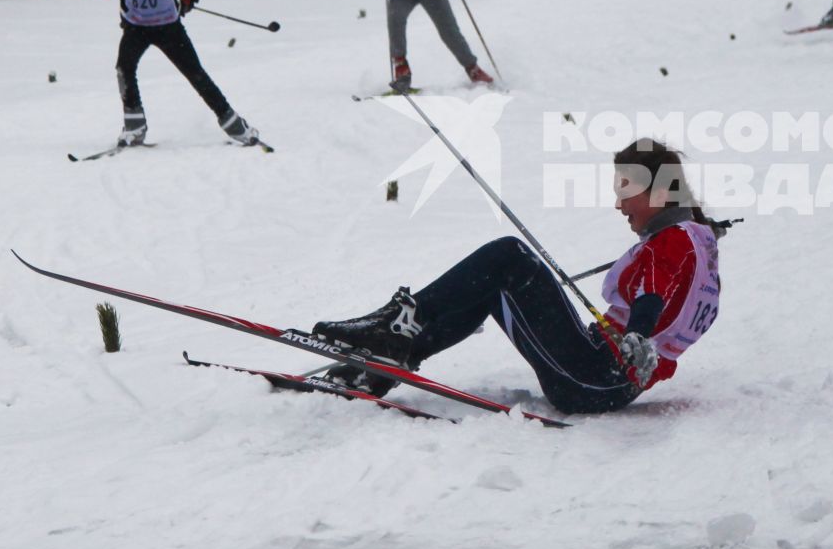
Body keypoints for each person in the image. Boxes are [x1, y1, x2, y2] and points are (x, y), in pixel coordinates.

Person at [309, 138, 724, 414]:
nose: (618, 204)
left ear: (656, 191)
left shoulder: (671, 243)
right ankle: (392, 357)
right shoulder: (695, 237)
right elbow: (674, 283)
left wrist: (638, 333)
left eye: (624, 190)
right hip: (605, 377)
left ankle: (395, 329)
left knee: (509, 255)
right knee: (495, 287)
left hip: (594, 376)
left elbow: (652, 293)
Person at [99, 0, 258, 148]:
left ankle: (233, 123)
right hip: (137, 27)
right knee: (124, 69)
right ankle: (134, 125)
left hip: (168, 27)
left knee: (195, 74)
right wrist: (127, 9)